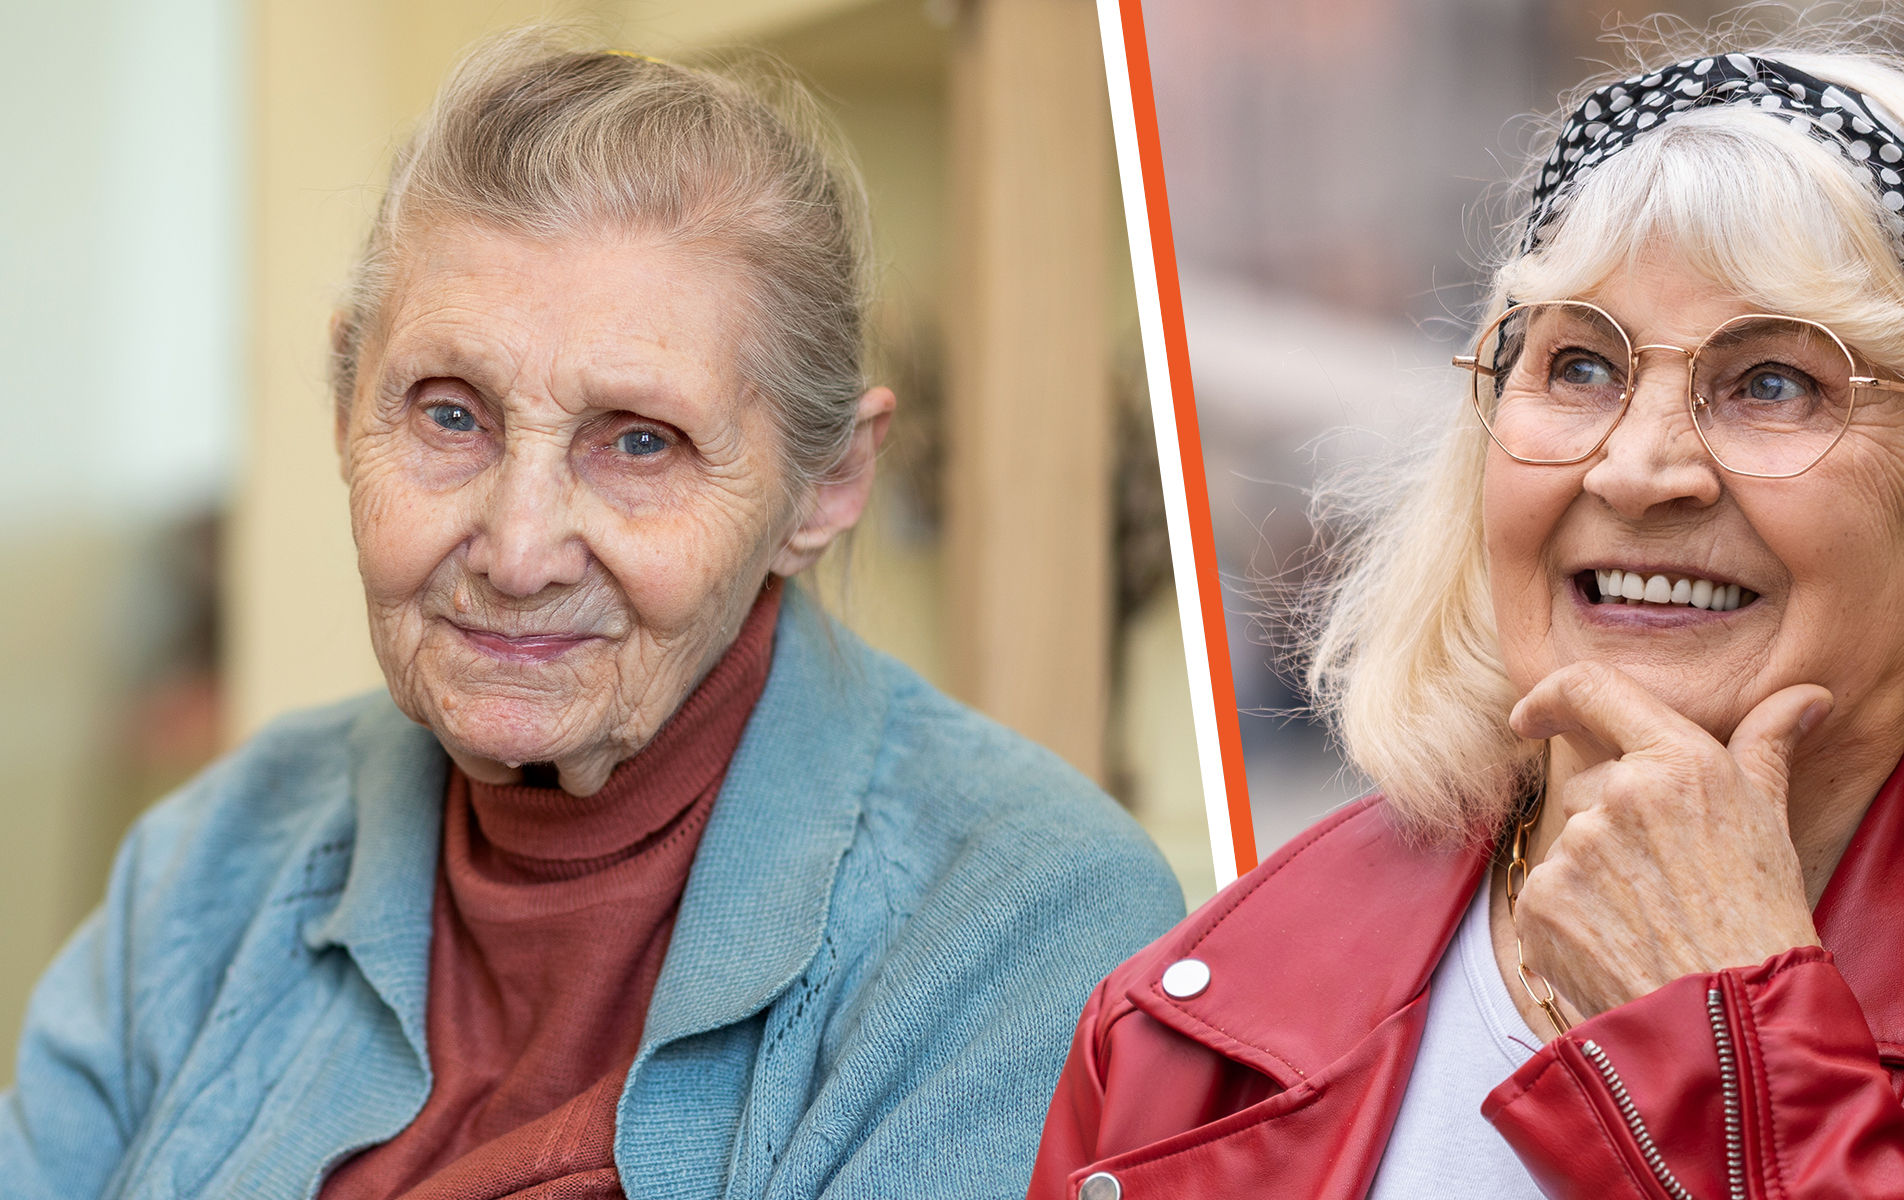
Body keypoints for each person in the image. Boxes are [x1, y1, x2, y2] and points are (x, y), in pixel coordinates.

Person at [1031, 38, 1904, 1200]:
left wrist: (1727, 1042)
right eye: (1573, 364)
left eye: (1777, 384)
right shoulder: (1184, 1025)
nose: (1638, 468)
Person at [0, 29, 1182, 1200]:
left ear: (825, 487)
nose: (517, 551)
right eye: (450, 415)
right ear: (345, 401)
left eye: (639, 441)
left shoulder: (1027, 922)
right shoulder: (210, 860)